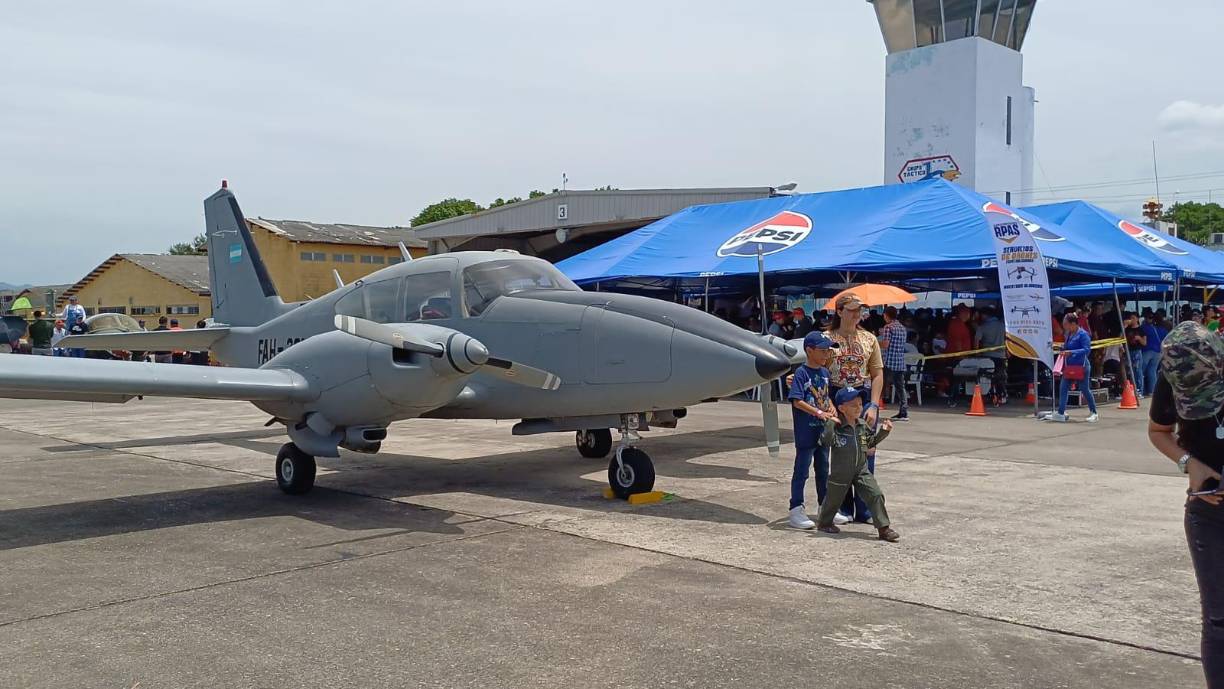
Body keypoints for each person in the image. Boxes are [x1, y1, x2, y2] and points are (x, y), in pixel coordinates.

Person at [1148, 322, 1224, 687]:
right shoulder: (1172, 370)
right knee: (1218, 618)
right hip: (1207, 514)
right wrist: (1189, 465)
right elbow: (1158, 431)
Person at [827, 293, 885, 523]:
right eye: (851, 310)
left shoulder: (869, 339)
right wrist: (828, 404)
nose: (856, 314)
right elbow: (818, 369)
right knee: (840, 453)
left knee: (865, 451)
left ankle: (865, 508)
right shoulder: (828, 338)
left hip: (861, 396)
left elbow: (877, 373)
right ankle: (842, 507)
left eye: (859, 310)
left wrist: (873, 404)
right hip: (835, 394)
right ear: (839, 311)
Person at [815, 386, 900, 542]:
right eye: (853, 405)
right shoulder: (838, 427)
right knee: (834, 499)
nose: (858, 408)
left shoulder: (862, 426)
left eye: (860, 404)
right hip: (841, 472)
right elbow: (826, 442)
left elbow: (870, 443)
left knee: (875, 494)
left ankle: (883, 528)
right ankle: (824, 522)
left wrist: (883, 432)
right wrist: (830, 424)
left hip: (861, 469)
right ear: (841, 408)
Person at [785, 332, 849, 529]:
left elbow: (824, 396)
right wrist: (819, 412)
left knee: (823, 470)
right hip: (806, 430)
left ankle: (825, 507)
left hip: (823, 431)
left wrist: (830, 406)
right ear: (809, 351)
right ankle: (796, 508)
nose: (826, 354)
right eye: (822, 351)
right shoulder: (802, 374)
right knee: (802, 470)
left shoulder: (824, 373)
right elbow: (797, 401)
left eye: (828, 351)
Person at [1046, 313, 1097, 423]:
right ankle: (1061, 412)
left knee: (1084, 388)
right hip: (1069, 367)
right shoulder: (1069, 334)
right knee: (1063, 387)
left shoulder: (1083, 334)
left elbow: (1087, 350)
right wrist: (1058, 347)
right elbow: (1066, 347)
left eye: (1066, 324)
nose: (1064, 326)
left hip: (1082, 366)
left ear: (1073, 324)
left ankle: (1094, 412)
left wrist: (1071, 352)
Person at [880, 306, 910, 421]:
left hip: (889, 361)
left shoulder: (888, 327)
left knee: (880, 386)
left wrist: (875, 342)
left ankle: (875, 407)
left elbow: (886, 344)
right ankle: (903, 411)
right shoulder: (902, 328)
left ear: (886, 315)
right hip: (900, 362)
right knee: (900, 387)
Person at [974, 305, 1008, 405]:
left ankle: (989, 395)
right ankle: (1001, 395)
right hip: (1001, 356)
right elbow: (1008, 339)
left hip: (987, 356)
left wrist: (977, 353)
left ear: (985, 315)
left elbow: (976, 341)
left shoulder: (982, 327)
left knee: (986, 377)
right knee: (1000, 377)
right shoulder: (1002, 325)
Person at [1141, 312, 1169, 397]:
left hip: (1147, 350)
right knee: (1152, 371)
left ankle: (1140, 390)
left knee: (1141, 371)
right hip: (1158, 352)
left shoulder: (1144, 328)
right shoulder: (1163, 330)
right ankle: (1152, 391)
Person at [1124, 311, 1147, 398]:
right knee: (1130, 371)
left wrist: (1139, 338)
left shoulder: (1141, 330)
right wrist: (1125, 326)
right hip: (1128, 351)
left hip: (1137, 351)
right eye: (1131, 318)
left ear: (1137, 319)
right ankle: (1131, 389)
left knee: (1138, 370)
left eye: (1133, 318)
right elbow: (1121, 337)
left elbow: (1144, 343)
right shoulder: (1128, 329)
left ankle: (1140, 390)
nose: (1132, 320)